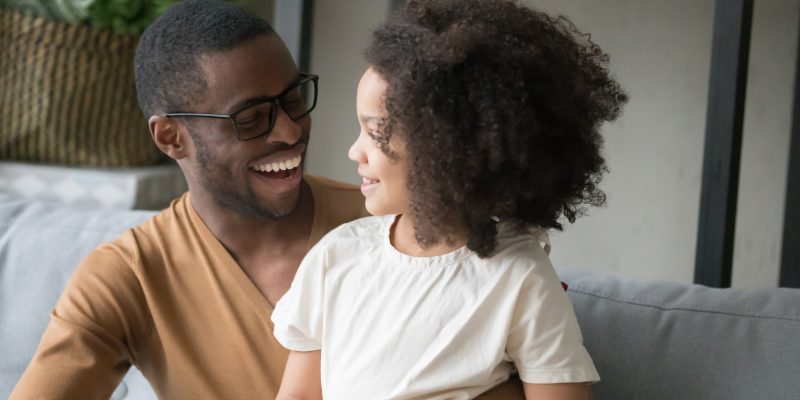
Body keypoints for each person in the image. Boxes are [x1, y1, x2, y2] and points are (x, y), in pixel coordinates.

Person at [10, 0, 526, 398]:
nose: (290, 131)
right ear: (171, 138)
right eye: (252, 117)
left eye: (293, 98)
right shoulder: (129, 275)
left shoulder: (406, 222)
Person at [271, 0, 628, 399]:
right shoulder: (335, 258)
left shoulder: (519, 276)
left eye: (375, 133)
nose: (355, 151)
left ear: (448, 149)